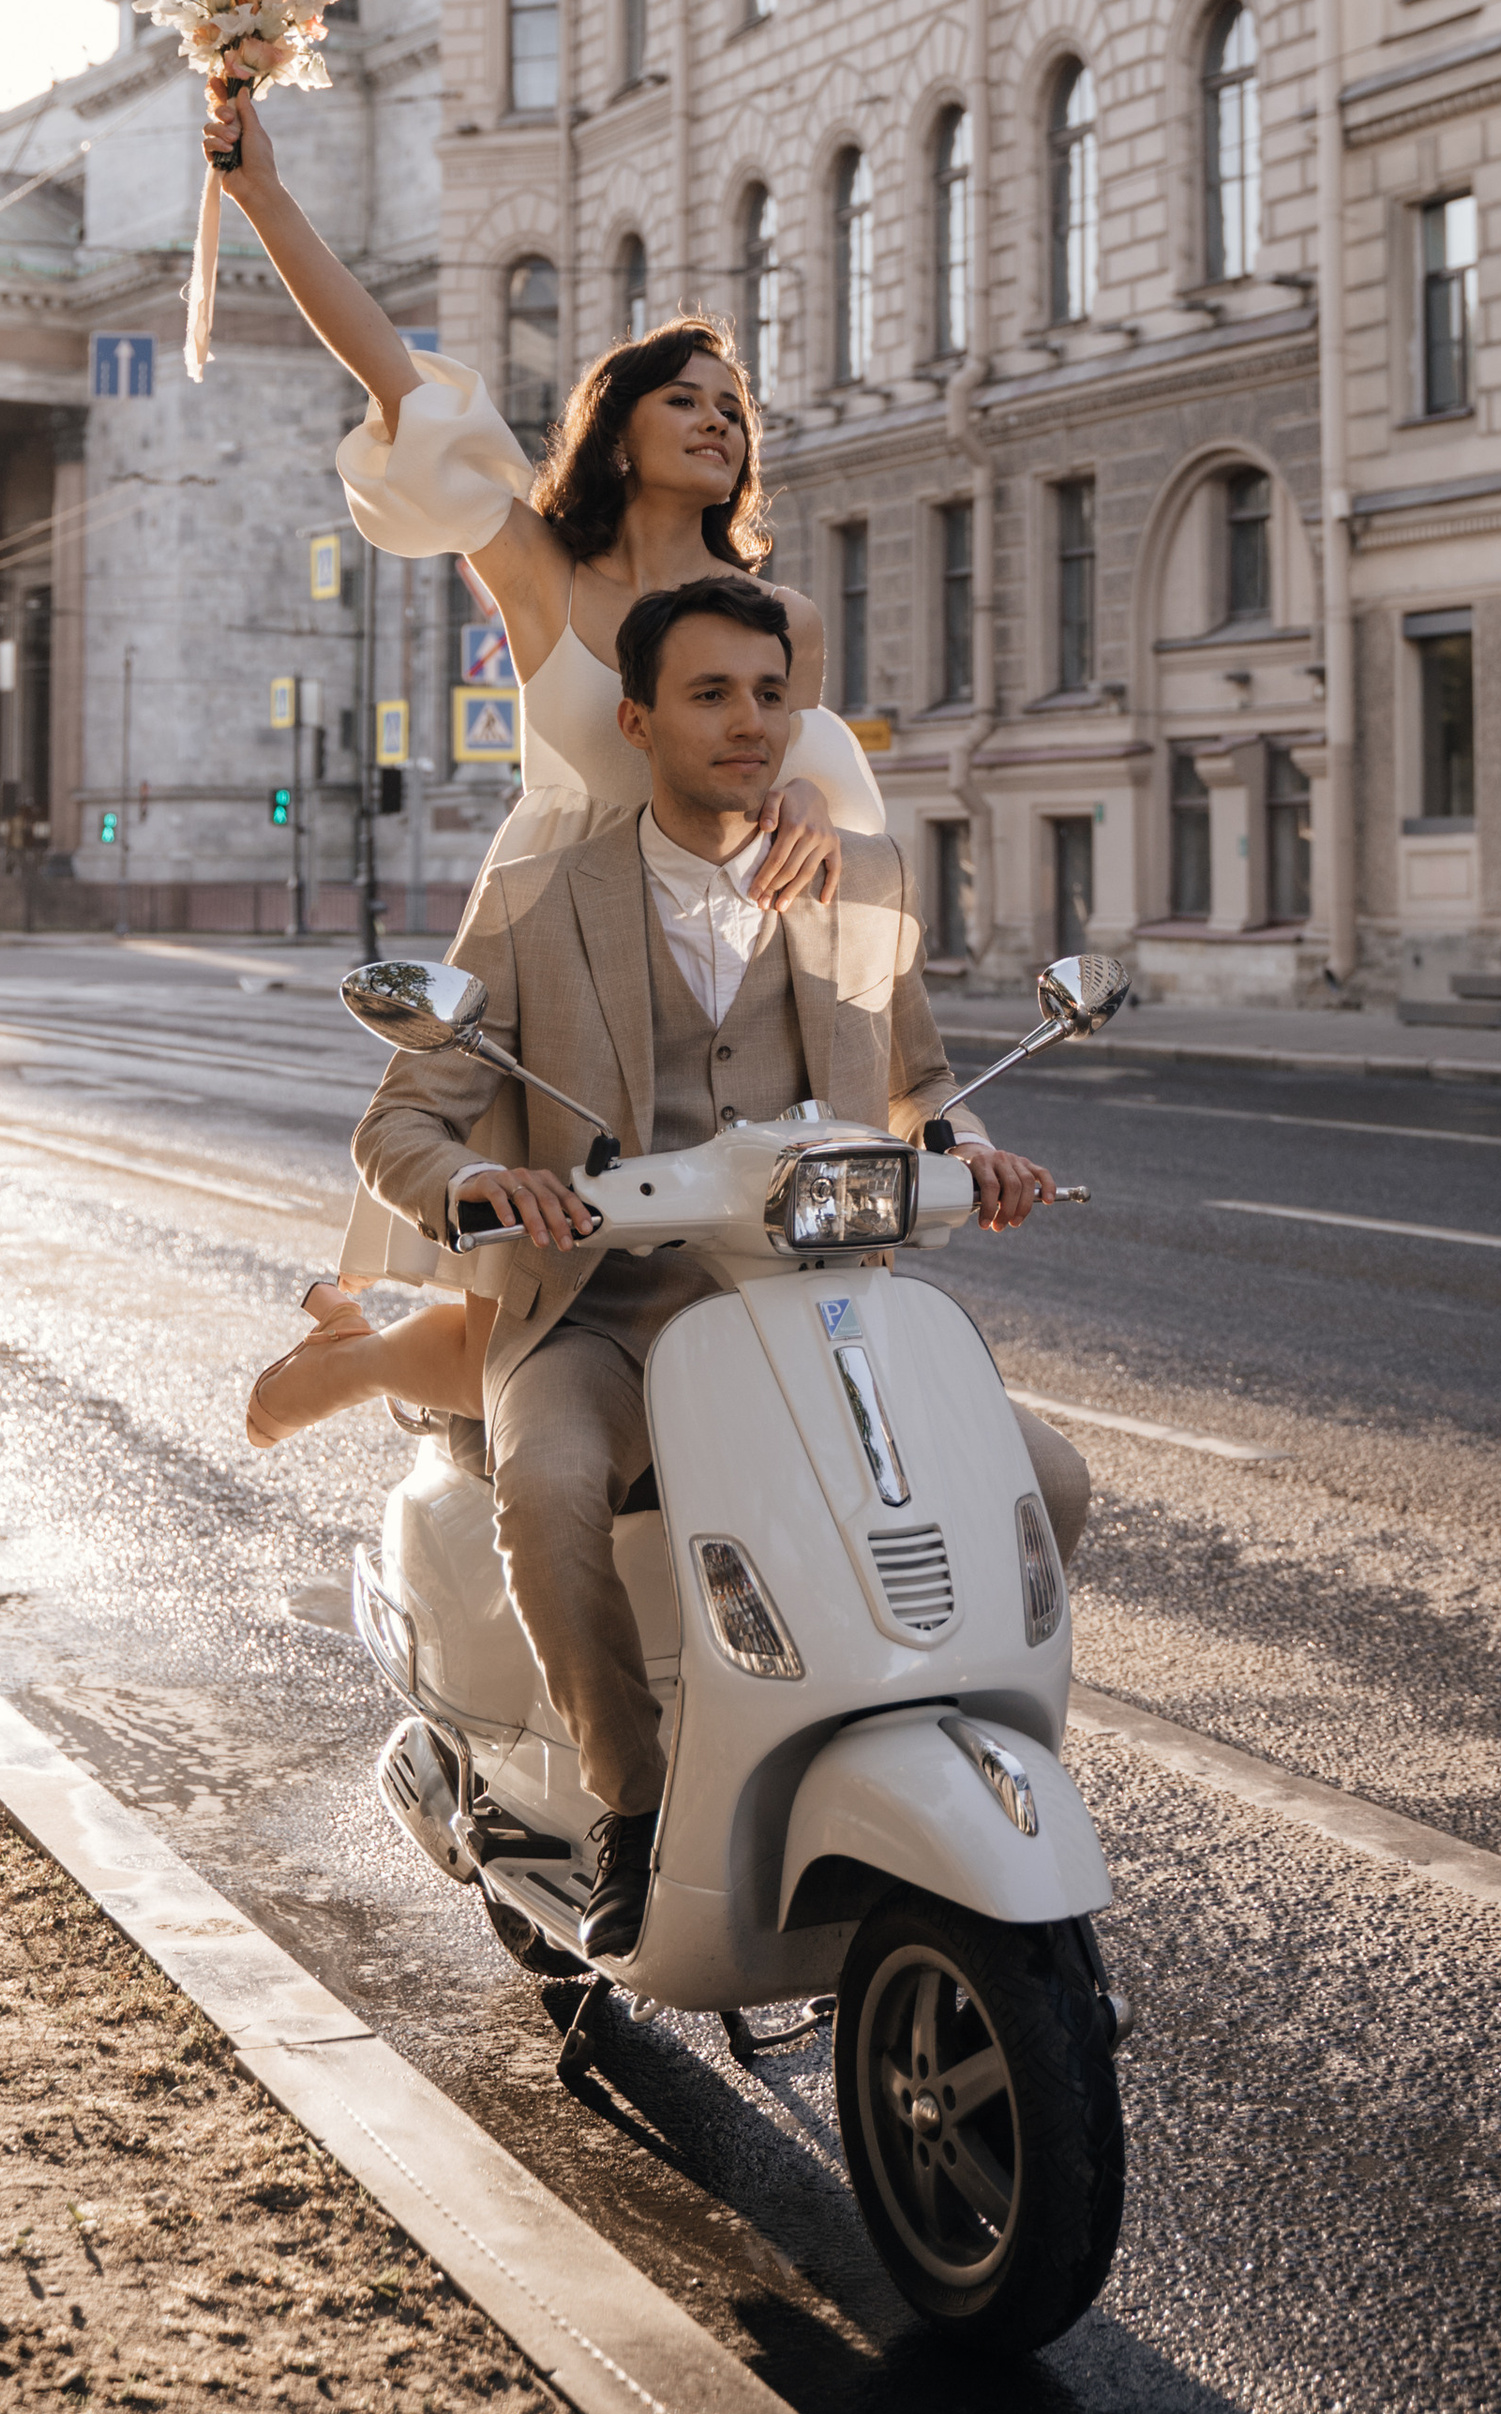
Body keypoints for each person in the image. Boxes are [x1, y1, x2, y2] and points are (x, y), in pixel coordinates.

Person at [346, 571, 1087, 1961]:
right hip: (605, 1310)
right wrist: (479, 1182)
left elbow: (923, 1078)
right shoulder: (538, 895)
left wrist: (973, 1149)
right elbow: (400, 1122)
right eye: (709, 695)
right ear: (638, 720)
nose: (749, 721)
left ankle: (931, 1740)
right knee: (553, 1481)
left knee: (1046, 1479)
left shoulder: (859, 879)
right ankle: (630, 1799)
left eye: (767, 692)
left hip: (815, 1306)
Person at [203, 74, 885, 1440]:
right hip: (556, 931)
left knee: (724, 1272)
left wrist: (807, 791)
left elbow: (783, 764)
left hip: (718, 949)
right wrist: (258, 189)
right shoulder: (539, 569)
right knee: (544, 1286)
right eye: (685, 398)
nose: (718, 421)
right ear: (616, 427)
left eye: (734, 410)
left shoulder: (784, 619)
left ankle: (398, 1371)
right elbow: (394, 377)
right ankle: (377, 1366)